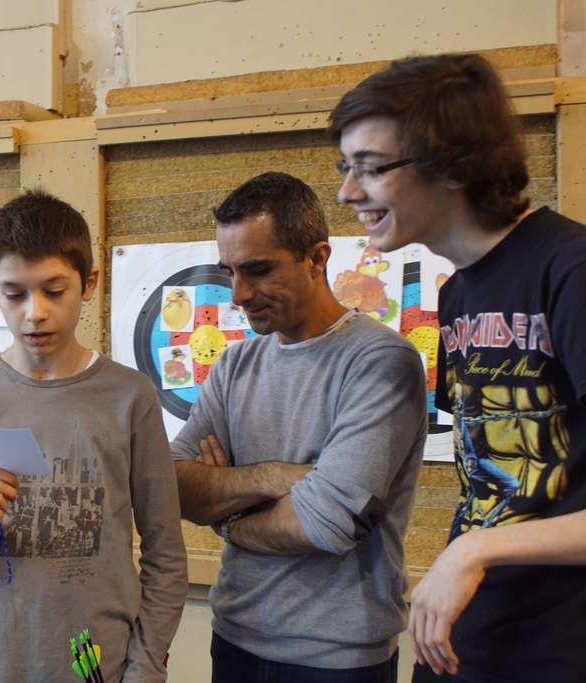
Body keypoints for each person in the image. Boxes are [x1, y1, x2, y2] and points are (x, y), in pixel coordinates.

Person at [331, 53, 586, 683]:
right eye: (345, 167)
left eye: (372, 167)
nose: (347, 191)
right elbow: (490, 479)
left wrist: (474, 549)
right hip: (465, 639)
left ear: (454, 164)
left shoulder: (570, 270)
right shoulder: (458, 294)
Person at [0, 189, 188, 682]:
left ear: (89, 283)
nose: (35, 312)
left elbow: (166, 553)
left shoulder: (131, 396)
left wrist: (146, 668)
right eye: (14, 294)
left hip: (103, 665)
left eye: (54, 291)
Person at [171, 172, 427, 683]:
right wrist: (276, 478)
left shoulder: (380, 362)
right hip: (235, 638)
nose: (239, 293)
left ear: (316, 259)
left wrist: (228, 519)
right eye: (230, 272)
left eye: (259, 269)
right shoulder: (234, 365)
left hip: (339, 657)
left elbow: (329, 522)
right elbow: (173, 484)